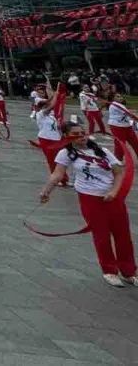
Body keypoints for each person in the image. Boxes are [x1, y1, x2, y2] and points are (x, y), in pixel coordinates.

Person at [39, 122, 136, 288]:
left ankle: (129, 272)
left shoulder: (102, 151)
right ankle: (109, 271)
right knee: (102, 235)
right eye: (76, 134)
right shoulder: (65, 153)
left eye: (83, 133)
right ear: (67, 137)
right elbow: (57, 174)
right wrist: (46, 191)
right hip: (90, 200)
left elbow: (118, 172)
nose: (82, 136)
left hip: (113, 198)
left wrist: (114, 191)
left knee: (123, 235)